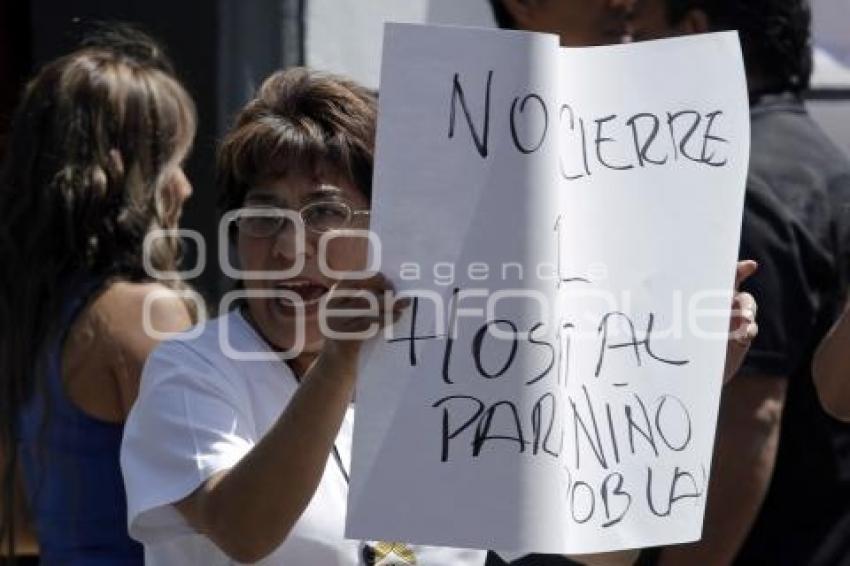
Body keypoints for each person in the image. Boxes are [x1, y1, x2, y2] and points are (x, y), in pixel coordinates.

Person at [120, 66, 757, 566]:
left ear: (391, 231)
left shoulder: (452, 364)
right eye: (263, 217)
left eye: (324, 213)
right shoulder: (195, 369)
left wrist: (684, 384)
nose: (290, 249)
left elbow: (599, 552)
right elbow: (244, 532)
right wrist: (340, 360)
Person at [0, 25, 198, 563]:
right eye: (173, 163)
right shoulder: (144, 313)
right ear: (119, 171)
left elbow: (16, 527)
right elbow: (213, 522)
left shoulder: (32, 315)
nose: (185, 187)